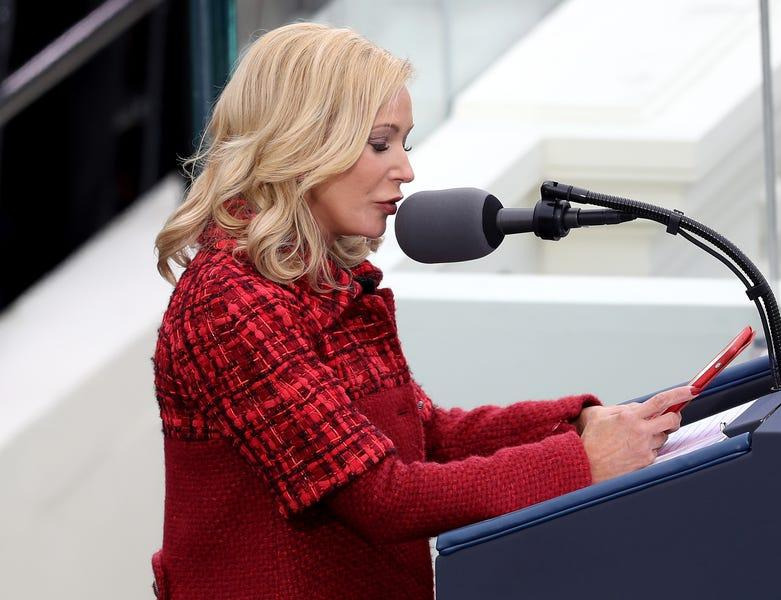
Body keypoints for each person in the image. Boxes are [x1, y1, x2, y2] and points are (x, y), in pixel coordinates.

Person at [150, 22, 688, 600]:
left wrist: (576, 423)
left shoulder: (325, 279)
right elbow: (381, 496)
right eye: (380, 144)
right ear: (302, 142)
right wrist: (579, 462)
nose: (406, 170)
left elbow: (424, 435)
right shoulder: (227, 304)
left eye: (404, 144)